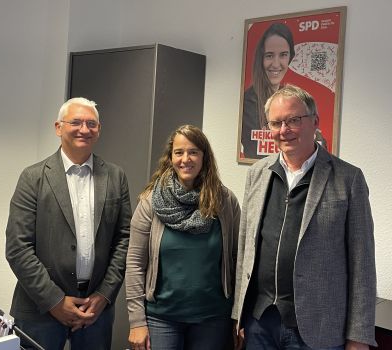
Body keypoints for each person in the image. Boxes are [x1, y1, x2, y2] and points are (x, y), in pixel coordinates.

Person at [233, 85, 376, 350]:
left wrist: (359, 336)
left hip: (318, 330)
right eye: (276, 123)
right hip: (260, 323)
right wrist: (238, 316)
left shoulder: (348, 179)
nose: (284, 130)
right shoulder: (257, 173)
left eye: (294, 120)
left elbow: (362, 265)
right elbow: (246, 250)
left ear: (315, 122)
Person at [5, 97, 132, 350]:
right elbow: (18, 248)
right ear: (58, 127)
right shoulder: (33, 178)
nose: (84, 129)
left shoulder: (115, 177)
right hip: (39, 309)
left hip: (95, 311)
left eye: (91, 124)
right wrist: (54, 301)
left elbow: (124, 240)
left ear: (99, 130)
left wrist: (104, 295)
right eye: (75, 122)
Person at [125, 125, 240, 350]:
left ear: (204, 157)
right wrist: (136, 321)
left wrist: (239, 316)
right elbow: (135, 264)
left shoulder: (225, 202)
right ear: (170, 157)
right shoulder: (150, 202)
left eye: (193, 152)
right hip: (162, 319)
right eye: (179, 152)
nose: (185, 159)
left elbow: (238, 260)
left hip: (213, 320)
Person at [242, 23, 295, 159]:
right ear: (261, 59)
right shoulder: (248, 103)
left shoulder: (289, 98)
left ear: (290, 57)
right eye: (269, 56)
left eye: (283, 55)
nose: (276, 64)